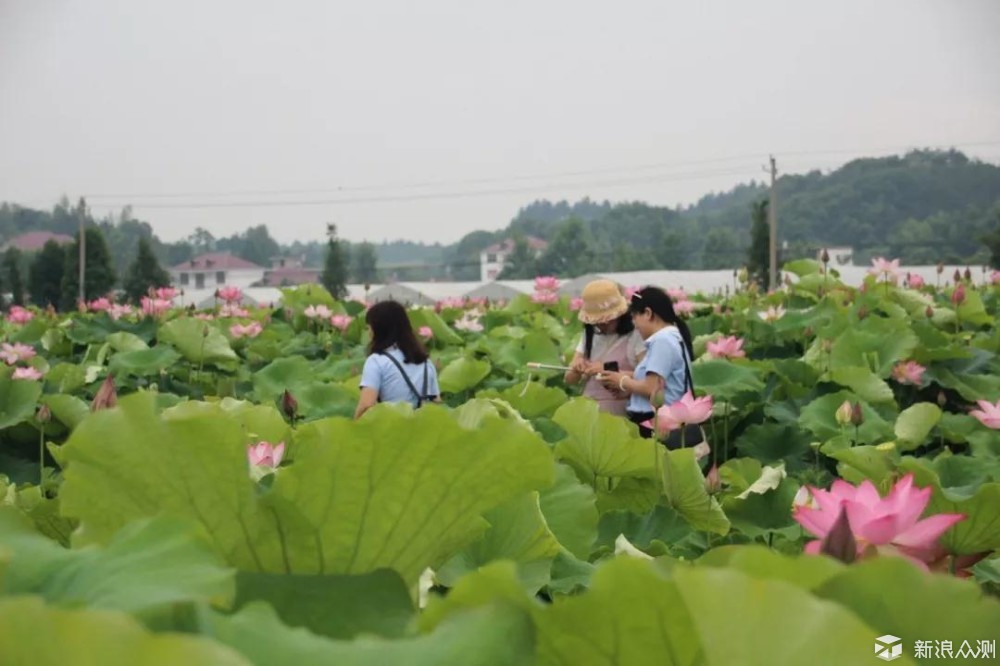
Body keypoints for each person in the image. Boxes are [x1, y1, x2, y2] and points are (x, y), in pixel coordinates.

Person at [598, 286, 698, 441]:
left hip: (656, 421)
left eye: (635, 317)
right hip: (664, 418)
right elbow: (662, 379)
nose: (635, 325)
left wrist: (622, 382)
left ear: (648, 313)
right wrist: (627, 378)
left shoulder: (662, 340)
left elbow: (652, 388)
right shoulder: (673, 336)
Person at [563, 279, 645, 416]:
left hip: (621, 413)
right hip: (587, 411)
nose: (605, 322)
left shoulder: (637, 335)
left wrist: (607, 370)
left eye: (610, 318)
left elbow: (649, 378)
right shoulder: (588, 335)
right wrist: (576, 368)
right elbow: (569, 380)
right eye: (599, 320)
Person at [355, 300, 440, 419]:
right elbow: (436, 402)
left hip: (391, 431)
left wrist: (353, 429)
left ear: (379, 330)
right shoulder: (426, 362)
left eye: (369, 328)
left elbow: (366, 405)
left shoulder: (376, 361)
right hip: (422, 431)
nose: (369, 333)